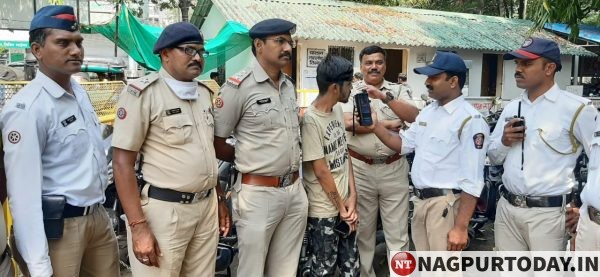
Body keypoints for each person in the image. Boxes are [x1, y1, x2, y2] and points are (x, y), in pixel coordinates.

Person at [0, 5, 119, 276]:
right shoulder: (28, 109)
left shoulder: (79, 92)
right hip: (57, 229)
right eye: (63, 43)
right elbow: (23, 194)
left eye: (78, 42)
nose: (76, 50)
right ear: (37, 50)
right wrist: (39, 266)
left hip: (97, 218)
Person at [111, 22, 230, 276]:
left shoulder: (203, 94)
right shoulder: (143, 94)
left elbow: (207, 154)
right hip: (165, 212)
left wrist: (219, 198)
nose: (197, 57)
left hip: (205, 208)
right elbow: (122, 163)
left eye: (201, 51)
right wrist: (138, 226)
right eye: (188, 50)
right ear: (165, 54)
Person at [213, 18, 308, 276]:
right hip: (258, 194)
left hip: (294, 191)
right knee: (252, 270)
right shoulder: (237, 88)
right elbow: (217, 143)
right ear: (258, 45)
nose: (287, 47)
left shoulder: (288, 86)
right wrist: (247, 159)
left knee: (285, 270)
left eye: (289, 41)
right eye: (280, 41)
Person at [367, 51, 488, 251]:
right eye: (427, 77)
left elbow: (473, 179)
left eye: (434, 77)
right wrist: (375, 126)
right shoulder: (429, 112)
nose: (427, 82)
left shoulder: (470, 120)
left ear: (453, 81)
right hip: (422, 203)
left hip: (445, 206)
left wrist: (460, 227)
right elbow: (402, 144)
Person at [488, 37, 597, 251]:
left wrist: (584, 208)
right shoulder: (512, 107)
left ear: (549, 68)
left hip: (549, 215)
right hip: (508, 209)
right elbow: (492, 156)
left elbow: (597, 161)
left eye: (526, 64)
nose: (518, 69)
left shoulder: (577, 109)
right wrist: (504, 140)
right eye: (517, 63)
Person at [340, 45, 418, 276]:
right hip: (359, 170)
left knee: (398, 234)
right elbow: (343, 121)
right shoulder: (349, 92)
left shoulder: (398, 91)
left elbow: (413, 116)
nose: (374, 66)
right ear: (361, 65)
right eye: (368, 62)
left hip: (394, 168)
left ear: (385, 65)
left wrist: (385, 100)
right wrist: (389, 124)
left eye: (379, 62)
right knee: (363, 234)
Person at [302, 54, 359, 276]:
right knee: (323, 268)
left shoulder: (336, 110)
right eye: (349, 85)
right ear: (336, 87)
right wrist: (341, 209)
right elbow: (321, 171)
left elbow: (344, 155)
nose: (351, 89)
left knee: (351, 266)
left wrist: (353, 197)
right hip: (324, 211)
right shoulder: (311, 120)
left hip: (346, 206)